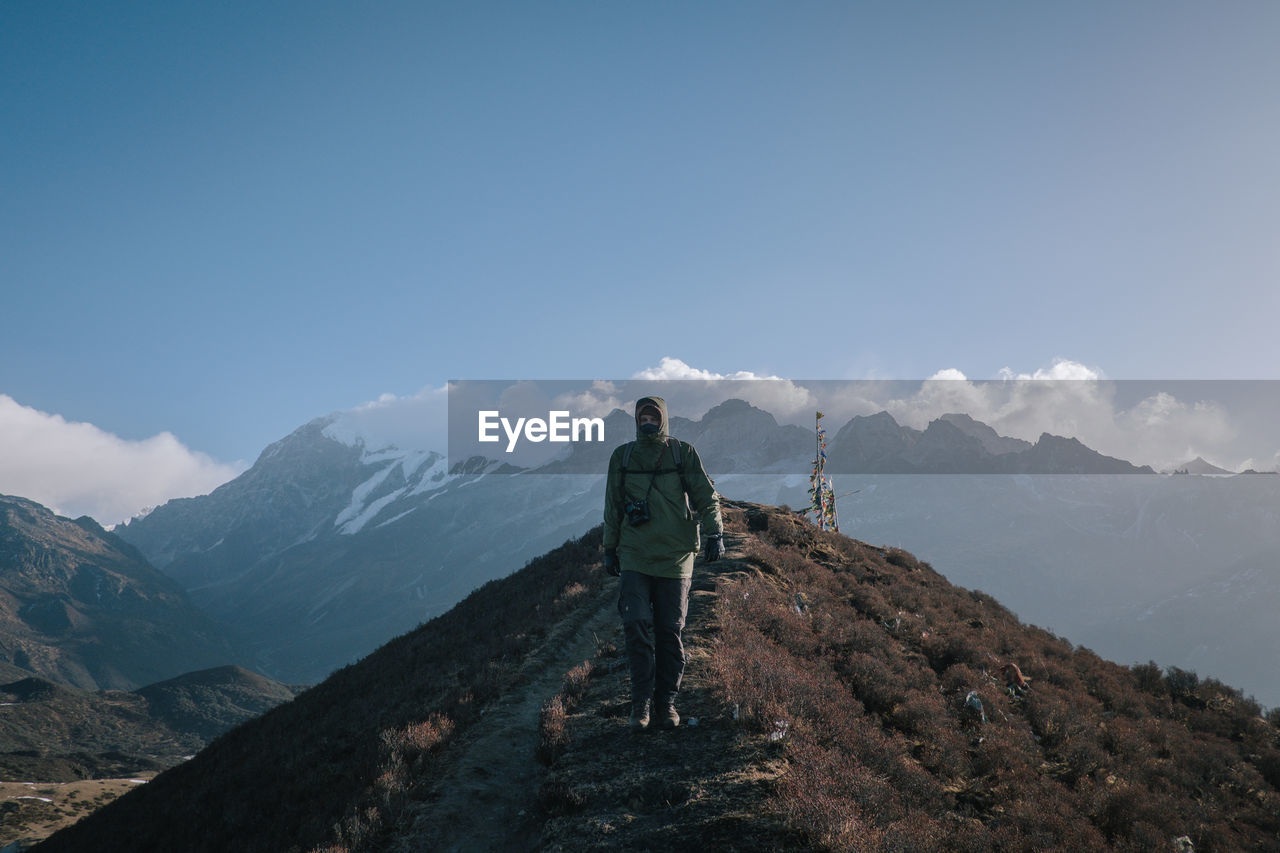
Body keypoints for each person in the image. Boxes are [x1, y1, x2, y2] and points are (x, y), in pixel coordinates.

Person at [603, 396, 724, 732]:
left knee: (670, 632)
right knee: (636, 626)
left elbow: (705, 494)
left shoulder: (681, 453)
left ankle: (665, 703)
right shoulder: (622, 456)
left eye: (653, 416)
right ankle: (640, 703)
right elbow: (612, 505)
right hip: (634, 556)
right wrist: (609, 548)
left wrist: (715, 533)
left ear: (664, 419)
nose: (647, 422)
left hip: (676, 557)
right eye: (642, 416)